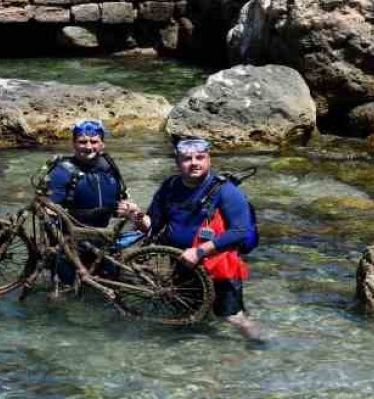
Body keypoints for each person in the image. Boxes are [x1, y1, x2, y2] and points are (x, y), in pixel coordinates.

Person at [117, 137, 261, 340]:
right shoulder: (169, 186)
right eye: (187, 158)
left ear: (208, 159)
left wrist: (200, 251)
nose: (194, 162)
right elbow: (153, 228)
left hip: (219, 265)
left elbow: (240, 231)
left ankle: (259, 343)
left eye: (200, 157)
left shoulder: (226, 191)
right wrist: (136, 216)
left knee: (233, 317)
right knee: (187, 310)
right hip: (181, 262)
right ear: (177, 162)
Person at [45, 118, 127, 288]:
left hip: (103, 238)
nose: (88, 147)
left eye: (94, 141)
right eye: (82, 142)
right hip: (72, 244)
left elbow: (121, 197)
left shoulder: (109, 166)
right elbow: (49, 209)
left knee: (112, 292)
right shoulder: (62, 171)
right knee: (69, 295)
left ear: (102, 144)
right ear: (73, 144)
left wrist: (126, 208)